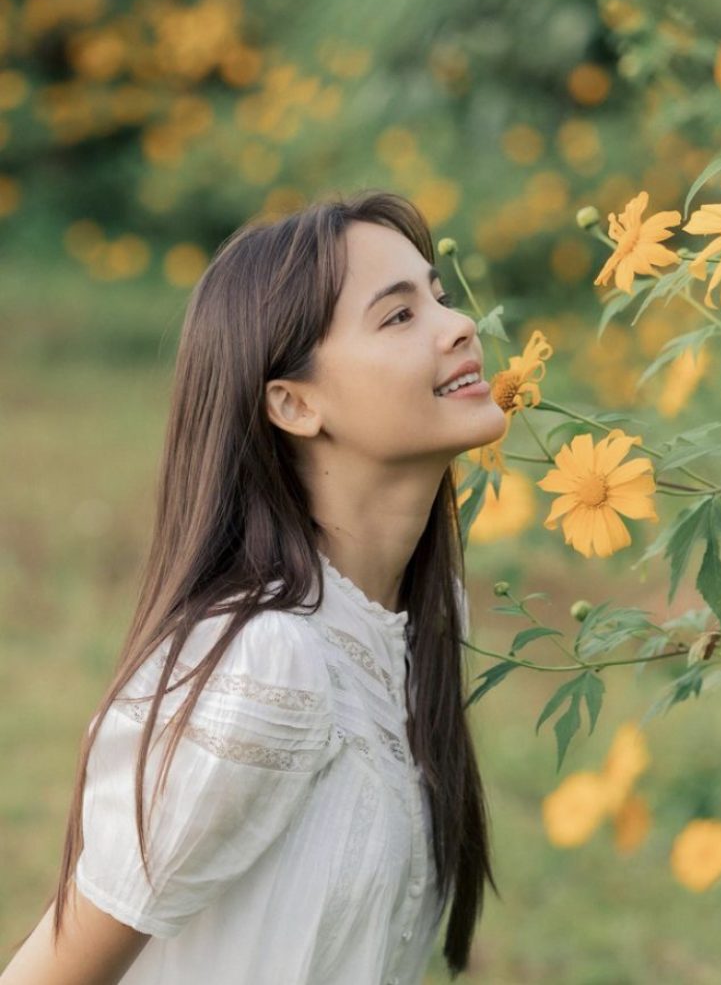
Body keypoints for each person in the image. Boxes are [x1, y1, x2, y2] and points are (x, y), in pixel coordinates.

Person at [1, 189, 508, 985]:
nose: (459, 325)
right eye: (399, 316)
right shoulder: (266, 665)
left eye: (438, 297)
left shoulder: (411, 627)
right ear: (294, 403)